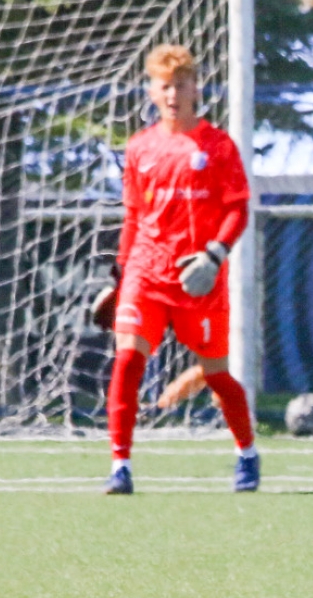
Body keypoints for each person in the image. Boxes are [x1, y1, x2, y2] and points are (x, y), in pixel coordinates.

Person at [95, 44, 257, 495]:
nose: (172, 95)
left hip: (197, 278)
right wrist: (121, 274)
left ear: (195, 89)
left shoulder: (217, 146)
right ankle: (120, 466)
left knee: (217, 374)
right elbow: (133, 216)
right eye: (164, 86)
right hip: (146, 273)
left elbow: (238, 209)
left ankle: (246, 452)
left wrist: (214, 255)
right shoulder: (140, 147)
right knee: (128, 360)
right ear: (151, 91)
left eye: (181, 85)